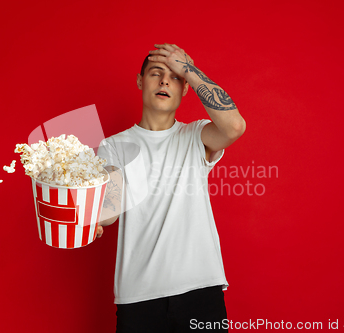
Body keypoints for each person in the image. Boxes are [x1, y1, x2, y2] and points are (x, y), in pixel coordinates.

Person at [96, 43, 246, 332]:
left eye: (175, 76)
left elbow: (235, 127)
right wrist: (84, 213)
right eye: (155, 73)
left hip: (200, 291)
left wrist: (189, 69)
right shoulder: (112, 146)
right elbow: (108, 213)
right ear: (140, 81)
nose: (165, 81)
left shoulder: (195, 135)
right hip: (138, 298)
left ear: (185, 87)